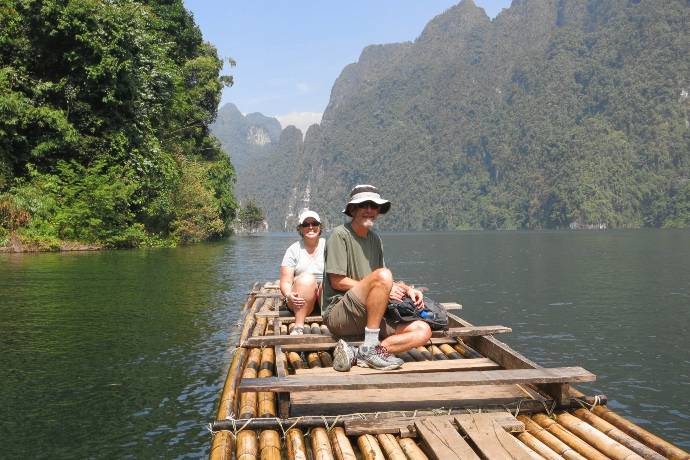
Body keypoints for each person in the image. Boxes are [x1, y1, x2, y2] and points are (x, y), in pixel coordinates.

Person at [322, 185, 432, 371]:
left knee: (423, 330)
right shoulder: (339, 235)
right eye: (364, 205)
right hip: (341, 314)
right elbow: (337, 281)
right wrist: (384, 286)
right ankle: (372, 345)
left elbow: (381, 280)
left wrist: (407, 289)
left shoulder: (375, 240)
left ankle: (366, 353)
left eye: (374, 206)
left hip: (370, 315)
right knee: (384, 276)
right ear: (353, 209)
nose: (369, 210)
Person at [279, 210, 325, 335]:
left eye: (314, 223)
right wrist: (288, 294)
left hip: (323, 300)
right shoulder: (293, 250)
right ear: (300, 228)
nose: (310, 227)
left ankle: (332, 323)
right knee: (307, 279)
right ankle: (299, 326)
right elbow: (285, 281)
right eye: (306, 224)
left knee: (329, 281)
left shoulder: (329, 246)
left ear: (320, 227)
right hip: (300, 300)